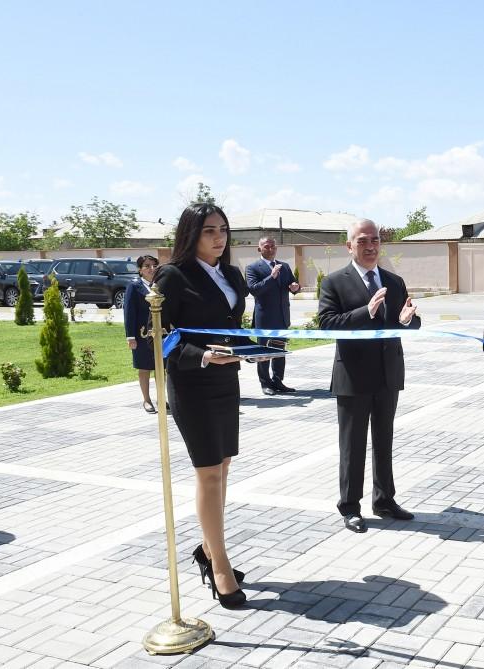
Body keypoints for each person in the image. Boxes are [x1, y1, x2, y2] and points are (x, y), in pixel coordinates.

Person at [153, 202, 252, 609]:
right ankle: (220, 564)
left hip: (226, 380)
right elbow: (163, 339)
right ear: (191, 234)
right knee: (208, 473)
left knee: (223, 468)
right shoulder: (172, 276)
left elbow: (232, 328)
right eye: (210, 230)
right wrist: (204, 355)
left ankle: (209, 548)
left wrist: (256, 348)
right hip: (192, 383)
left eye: (224, 229)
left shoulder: (230, 274)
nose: (219, 237)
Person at [317, 218, 420, 533]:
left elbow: (411, 322)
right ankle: (349, 506)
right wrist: (367, 312)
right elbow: (326, 323)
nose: (371, 246)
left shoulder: (394, 280)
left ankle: (384, 499)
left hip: (388, 374)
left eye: (375, 239)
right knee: (352, 445)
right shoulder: (334, 282)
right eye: (363, 241)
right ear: (349, 246)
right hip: (353, 376)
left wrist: (406, 320)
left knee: (384, 440)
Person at [245, 236, 300, 395]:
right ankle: (265, 383)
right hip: (264, 318)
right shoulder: (253, 268)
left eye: (273, 246)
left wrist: (296, 287)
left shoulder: (285, 266)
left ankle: (278, 381)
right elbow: (254, 289)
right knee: (264, 352)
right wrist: (271, 277)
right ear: (259, 249)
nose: (271, 249)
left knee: (279, 351)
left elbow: (293, 285)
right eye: (267, 246)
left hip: (282, 316)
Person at [123, 255, 159, 413]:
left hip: (159, 334)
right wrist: (130, 336)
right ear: (140, 270)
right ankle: (147, 400)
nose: (152, 269)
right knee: (144, 368)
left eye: (154, 265)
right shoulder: (134, 286)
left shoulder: (159, 285)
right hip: (142, 334)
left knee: (160, 368)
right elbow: (129, 312)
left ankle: (162, 399)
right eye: (147, 266)